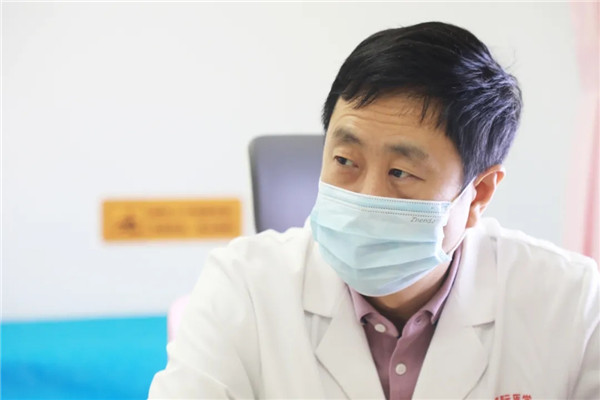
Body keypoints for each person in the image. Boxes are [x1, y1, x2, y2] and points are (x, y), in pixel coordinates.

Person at [148, 22, 599, 399]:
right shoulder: (243, 286)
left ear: (478, 194)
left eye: (401, 172)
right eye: (345, 161)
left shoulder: (573, 305)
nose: (367, 194)